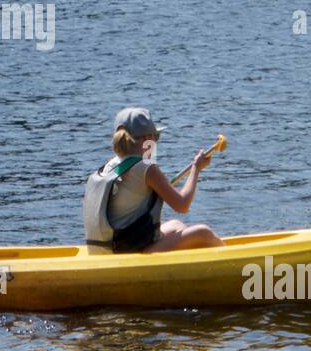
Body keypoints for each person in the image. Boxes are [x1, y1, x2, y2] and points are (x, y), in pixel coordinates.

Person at [83, 107, 224, 254]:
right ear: (146, 139)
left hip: (101, 248)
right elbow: (182, 205)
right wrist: (196, 168)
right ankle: (234, 267)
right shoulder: (146, 168)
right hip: (124, 252)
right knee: (203, 233)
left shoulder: (110, 165)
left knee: (176, 225)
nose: (156, 143)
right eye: (156, 137)